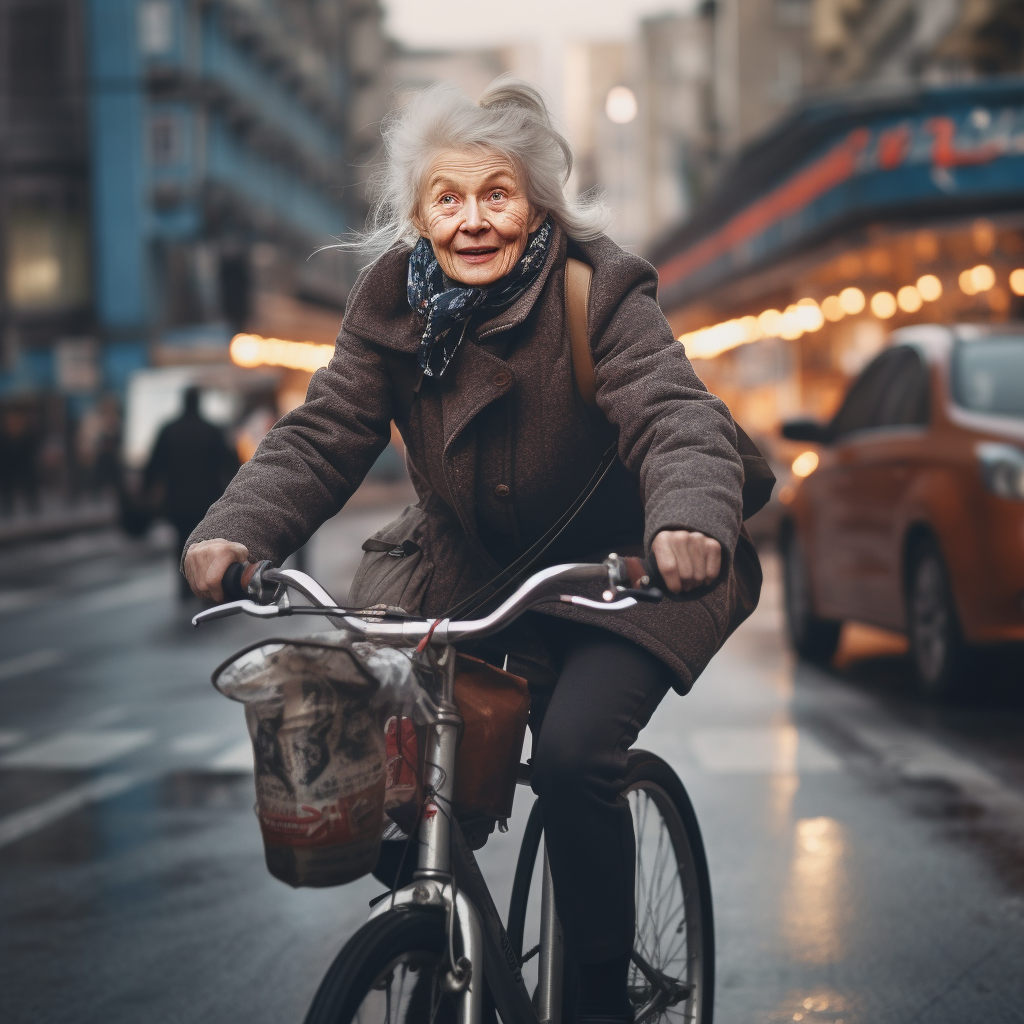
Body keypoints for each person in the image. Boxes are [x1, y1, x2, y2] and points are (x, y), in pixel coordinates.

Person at [184, 80, 761, 1022]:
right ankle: (446, 936)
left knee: (574, 759)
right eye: (448, 200)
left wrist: (688, 522)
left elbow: (674, 413)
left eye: (497, 195)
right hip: (479, 572)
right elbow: (324, 431)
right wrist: (233, 528)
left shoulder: (595, 290)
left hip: (629, 568)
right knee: (392, 776)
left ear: (536, 204)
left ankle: (599, 996)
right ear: (418, 215)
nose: (473, 222)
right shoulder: (390, 308)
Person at [145, 386, 238, 598]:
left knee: (181, 540)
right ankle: (207, 584)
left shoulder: (168, 430)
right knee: (205, 541)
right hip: (207, 499)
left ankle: (185, 584)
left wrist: (145, 491)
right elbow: (229, 464)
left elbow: (153, 465)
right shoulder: (212, 431)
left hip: (177, 499)